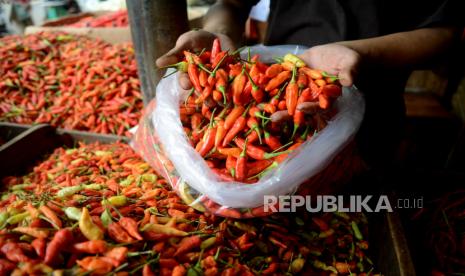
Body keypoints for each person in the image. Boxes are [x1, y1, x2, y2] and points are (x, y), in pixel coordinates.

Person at [156, 0, 464, 169]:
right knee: (272, 188)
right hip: (282, 81)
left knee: (350, 201)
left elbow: (445, 32)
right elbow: (231, 4)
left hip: (371, 107)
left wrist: (360, 54)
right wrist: (218, 31)